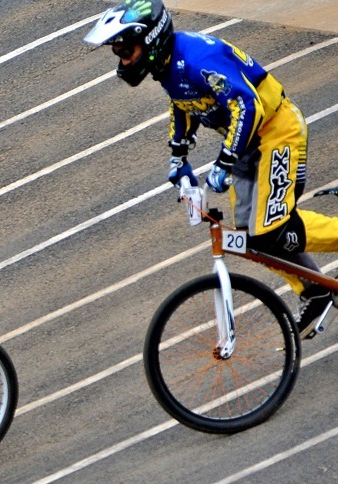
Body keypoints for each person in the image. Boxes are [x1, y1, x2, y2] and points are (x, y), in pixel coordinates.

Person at [84, 0, 338, 338]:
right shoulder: (167, 66)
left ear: (151, 39)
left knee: (272, 229)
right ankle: (316, 291)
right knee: (251, 239)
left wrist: (225, 160)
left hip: (277, 132)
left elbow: (247, 105)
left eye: (126, 49)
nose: (123, 59)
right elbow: (183, 103)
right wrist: (178, 155)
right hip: (249, 145)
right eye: (118, 52)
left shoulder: (198, 60)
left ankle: (318, 284)